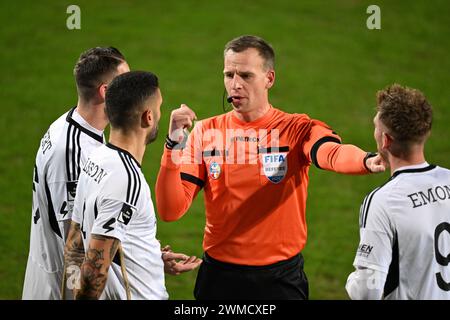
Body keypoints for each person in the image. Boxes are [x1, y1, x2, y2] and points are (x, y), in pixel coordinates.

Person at [155, 35, 385, 300]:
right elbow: (171, 210)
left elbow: (331, 153)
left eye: (246, 75)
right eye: (229, 75)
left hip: (279, 281)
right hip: (219, 279)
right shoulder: (205, 132)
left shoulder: (296, 129)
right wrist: (172, 145)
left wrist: (365, 160)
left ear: (269, 78)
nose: (235, 84)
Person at [64, 71, 202, 300]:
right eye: (159, 108)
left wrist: (148, 257)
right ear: (148, 117)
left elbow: (76, 241)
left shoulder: (95, 160)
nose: (160, 114)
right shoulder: (126, 180)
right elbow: (94, 269)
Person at [22, 47, 130, 300]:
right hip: (64, 291)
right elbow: (78, 242)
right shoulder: (72, 153)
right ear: (106, 92)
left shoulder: (74, 127)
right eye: (125, 82)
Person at [345, 84, 450, 300]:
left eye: (376, 126)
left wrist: (352, 282)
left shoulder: (384, 201)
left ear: (385, 140)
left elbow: (368, 291)